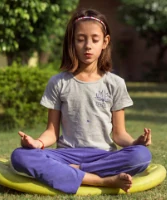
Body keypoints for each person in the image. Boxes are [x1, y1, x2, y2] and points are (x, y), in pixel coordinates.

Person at [10, 8, 152, 194]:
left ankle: (71, 172)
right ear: (72, 42)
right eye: (80, 39)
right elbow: (51, 132)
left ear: (105, 42)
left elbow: (119, 135)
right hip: (66, 154)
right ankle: (102, 181)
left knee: (141, 156)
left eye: (95, 39)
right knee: (20, 156)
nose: (88, 46)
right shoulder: (58, 82)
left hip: (103, 156)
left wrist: (135, 143)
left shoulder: (115, 84)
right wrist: (37, 144)